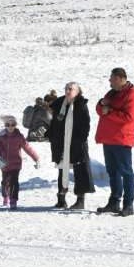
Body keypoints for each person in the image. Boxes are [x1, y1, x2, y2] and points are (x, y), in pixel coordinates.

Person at [94, 68, 134, 217]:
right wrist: (103, 106)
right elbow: (99, 108)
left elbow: (129, 117)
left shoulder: (132, 95)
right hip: (109, 138)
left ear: (121, 79)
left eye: (112, 79)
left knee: (126, 172)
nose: (109, 81)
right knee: (112, 171)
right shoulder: (111, 93)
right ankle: (114, 202)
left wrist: (110, 112)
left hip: (122, 139)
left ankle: (128, 205)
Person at [49, 82, 96, 210]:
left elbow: (86, 124)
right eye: (66, 89)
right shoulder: (59, 104)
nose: (68, 91)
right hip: (61, 143)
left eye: (71, 89)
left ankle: (80, 200)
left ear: (77, 91)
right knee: (61, 168)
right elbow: (54, 122)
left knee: (79, 169)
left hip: (77, 143)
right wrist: (51, 135)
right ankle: (61, 199)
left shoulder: (81, 105)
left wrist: (81, 139)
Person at [0, 116, 40, 210]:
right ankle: (5, 196)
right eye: (8, 125)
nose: (10, 127)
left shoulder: (19, 137)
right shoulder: (1, 136)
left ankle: (13, 200)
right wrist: (0, 161)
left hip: (16, 164)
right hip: (4, 165)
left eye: (13, 125)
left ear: (15, 125)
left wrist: (36, 158)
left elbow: (28, 148)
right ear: (5, 125)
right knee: (5, 182)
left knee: (14, 182)